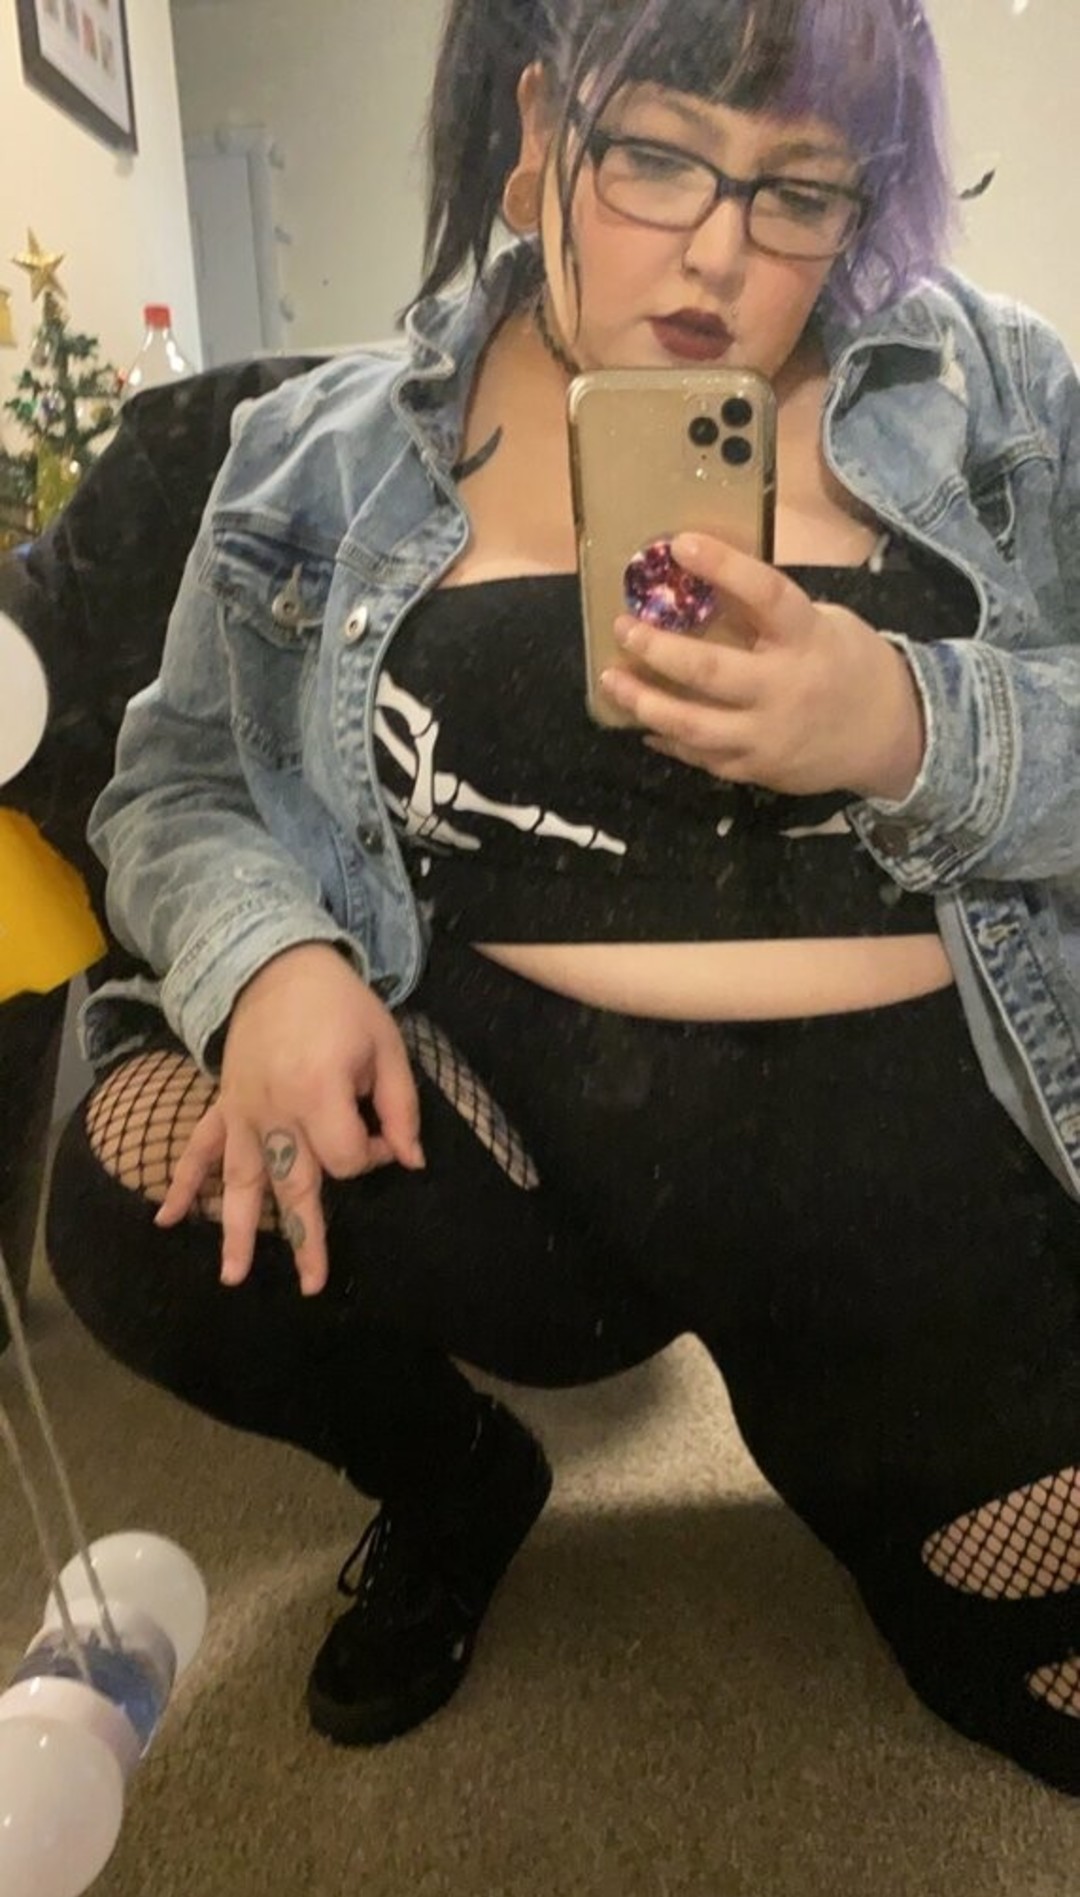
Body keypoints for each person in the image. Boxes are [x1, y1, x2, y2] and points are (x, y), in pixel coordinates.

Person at [45, 0, 1080, 1793]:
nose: (719, 251)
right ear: (540, 129)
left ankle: (873, 1444)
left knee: (1028, 1683)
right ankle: (457, 1479)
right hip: (503, 1159)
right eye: (658, 154)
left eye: (799, 190)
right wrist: (269, 962)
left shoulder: (1004, 402)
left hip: (925, 1202)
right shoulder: (322, 452)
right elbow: (176, 779)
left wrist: (904, 721)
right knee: (144, 1177)